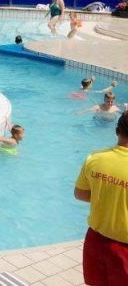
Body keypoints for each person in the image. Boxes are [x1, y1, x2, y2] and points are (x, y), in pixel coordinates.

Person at [74, 111, 128, 285]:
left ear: (117, 131)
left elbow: (80, 193)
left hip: (96, 241)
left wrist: (108, 195)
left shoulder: (95, 159)